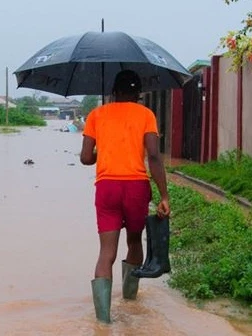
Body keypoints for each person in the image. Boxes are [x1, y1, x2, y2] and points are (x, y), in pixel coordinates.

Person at [80, 70, 170, 324]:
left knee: (105, 252)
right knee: (134, 243)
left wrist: (105, 152)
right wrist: (164, 195)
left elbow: (86, 158)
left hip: (107, 187)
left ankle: (102, 322)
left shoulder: (96, 115)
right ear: (138, 94)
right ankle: (130, 301)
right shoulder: (146, 115)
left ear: (114, 92)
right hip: (136, 188)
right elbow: (153, 155)